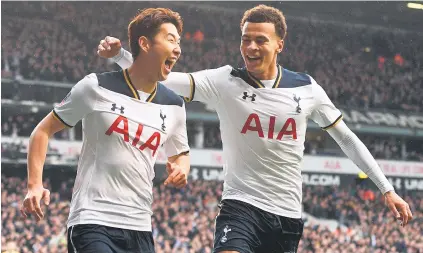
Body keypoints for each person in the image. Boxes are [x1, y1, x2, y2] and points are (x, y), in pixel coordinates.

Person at [97, 5, 413, 253]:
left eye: (260, 39)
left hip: (287, 216)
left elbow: (345, 137)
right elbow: (166, 79)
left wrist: (387, 189)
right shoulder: (225, 82)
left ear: (279, 45)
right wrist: (121, 57)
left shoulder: (306, 88)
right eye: (245, 39)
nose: (250, 46)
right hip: (240, 206)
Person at [21, 8, 191, 253]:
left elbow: (180, 153)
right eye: (170, 39)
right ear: (144, 43)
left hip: (141, 227)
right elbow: (42, 130)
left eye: (179, 42)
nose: (178, 48)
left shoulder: (175, 105)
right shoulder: (96, 86)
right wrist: (34, 185)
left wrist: (181, 168)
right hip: (93, 221)